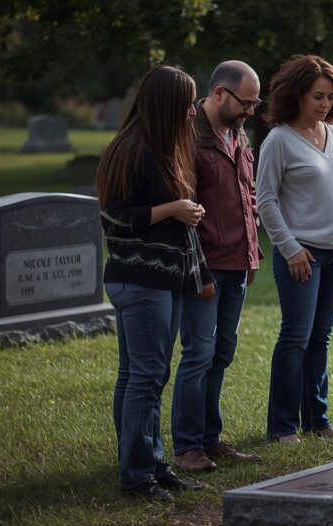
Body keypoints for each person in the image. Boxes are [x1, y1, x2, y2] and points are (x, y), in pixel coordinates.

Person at [97, 65, 210, 502]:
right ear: (165, 104)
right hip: (139, 281)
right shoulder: (132, 150)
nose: (191, 110)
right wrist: (173, 209)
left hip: (163, 280)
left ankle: (149, 464)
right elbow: (114, 219)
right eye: (186, 101)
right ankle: (137, 476)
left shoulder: (163, 148)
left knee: (139, 375)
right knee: (145, 376)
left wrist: (183, 214)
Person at [257, 54, 333, 443]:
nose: (324, 105)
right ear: (297, 95)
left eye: (330, 97)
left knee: (320, 336)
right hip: (301, 255)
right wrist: (290, 249)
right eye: (317, 96)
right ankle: (283, 427)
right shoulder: (278, 140)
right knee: (295, 337)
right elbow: (266, 201)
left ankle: (318, 422)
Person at [170, 61, 264, 472]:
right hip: (202, 268)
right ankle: (188, 446)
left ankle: (211, 439)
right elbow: (183, 212)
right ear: (220, 93)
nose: (250, 111)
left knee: (222, 352)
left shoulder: (238, 133)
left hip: (237, 264)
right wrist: (199, 269)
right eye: (246, 102)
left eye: (255, 104)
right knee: (199, 353)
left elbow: (247, 194)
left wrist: (253, 249)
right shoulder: (188, 137)